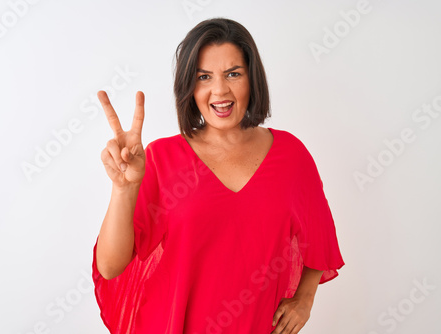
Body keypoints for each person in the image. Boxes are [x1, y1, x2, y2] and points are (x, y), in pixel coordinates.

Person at [92, 18, 345, 334]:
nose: (220, 90)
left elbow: (319, 241)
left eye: (233, 74)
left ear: (252, 79)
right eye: (204, 77)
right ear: (190, 86)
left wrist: (304, 301)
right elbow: (110, 266)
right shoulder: (162, 158)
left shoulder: (292, 156)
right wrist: (123, 187)